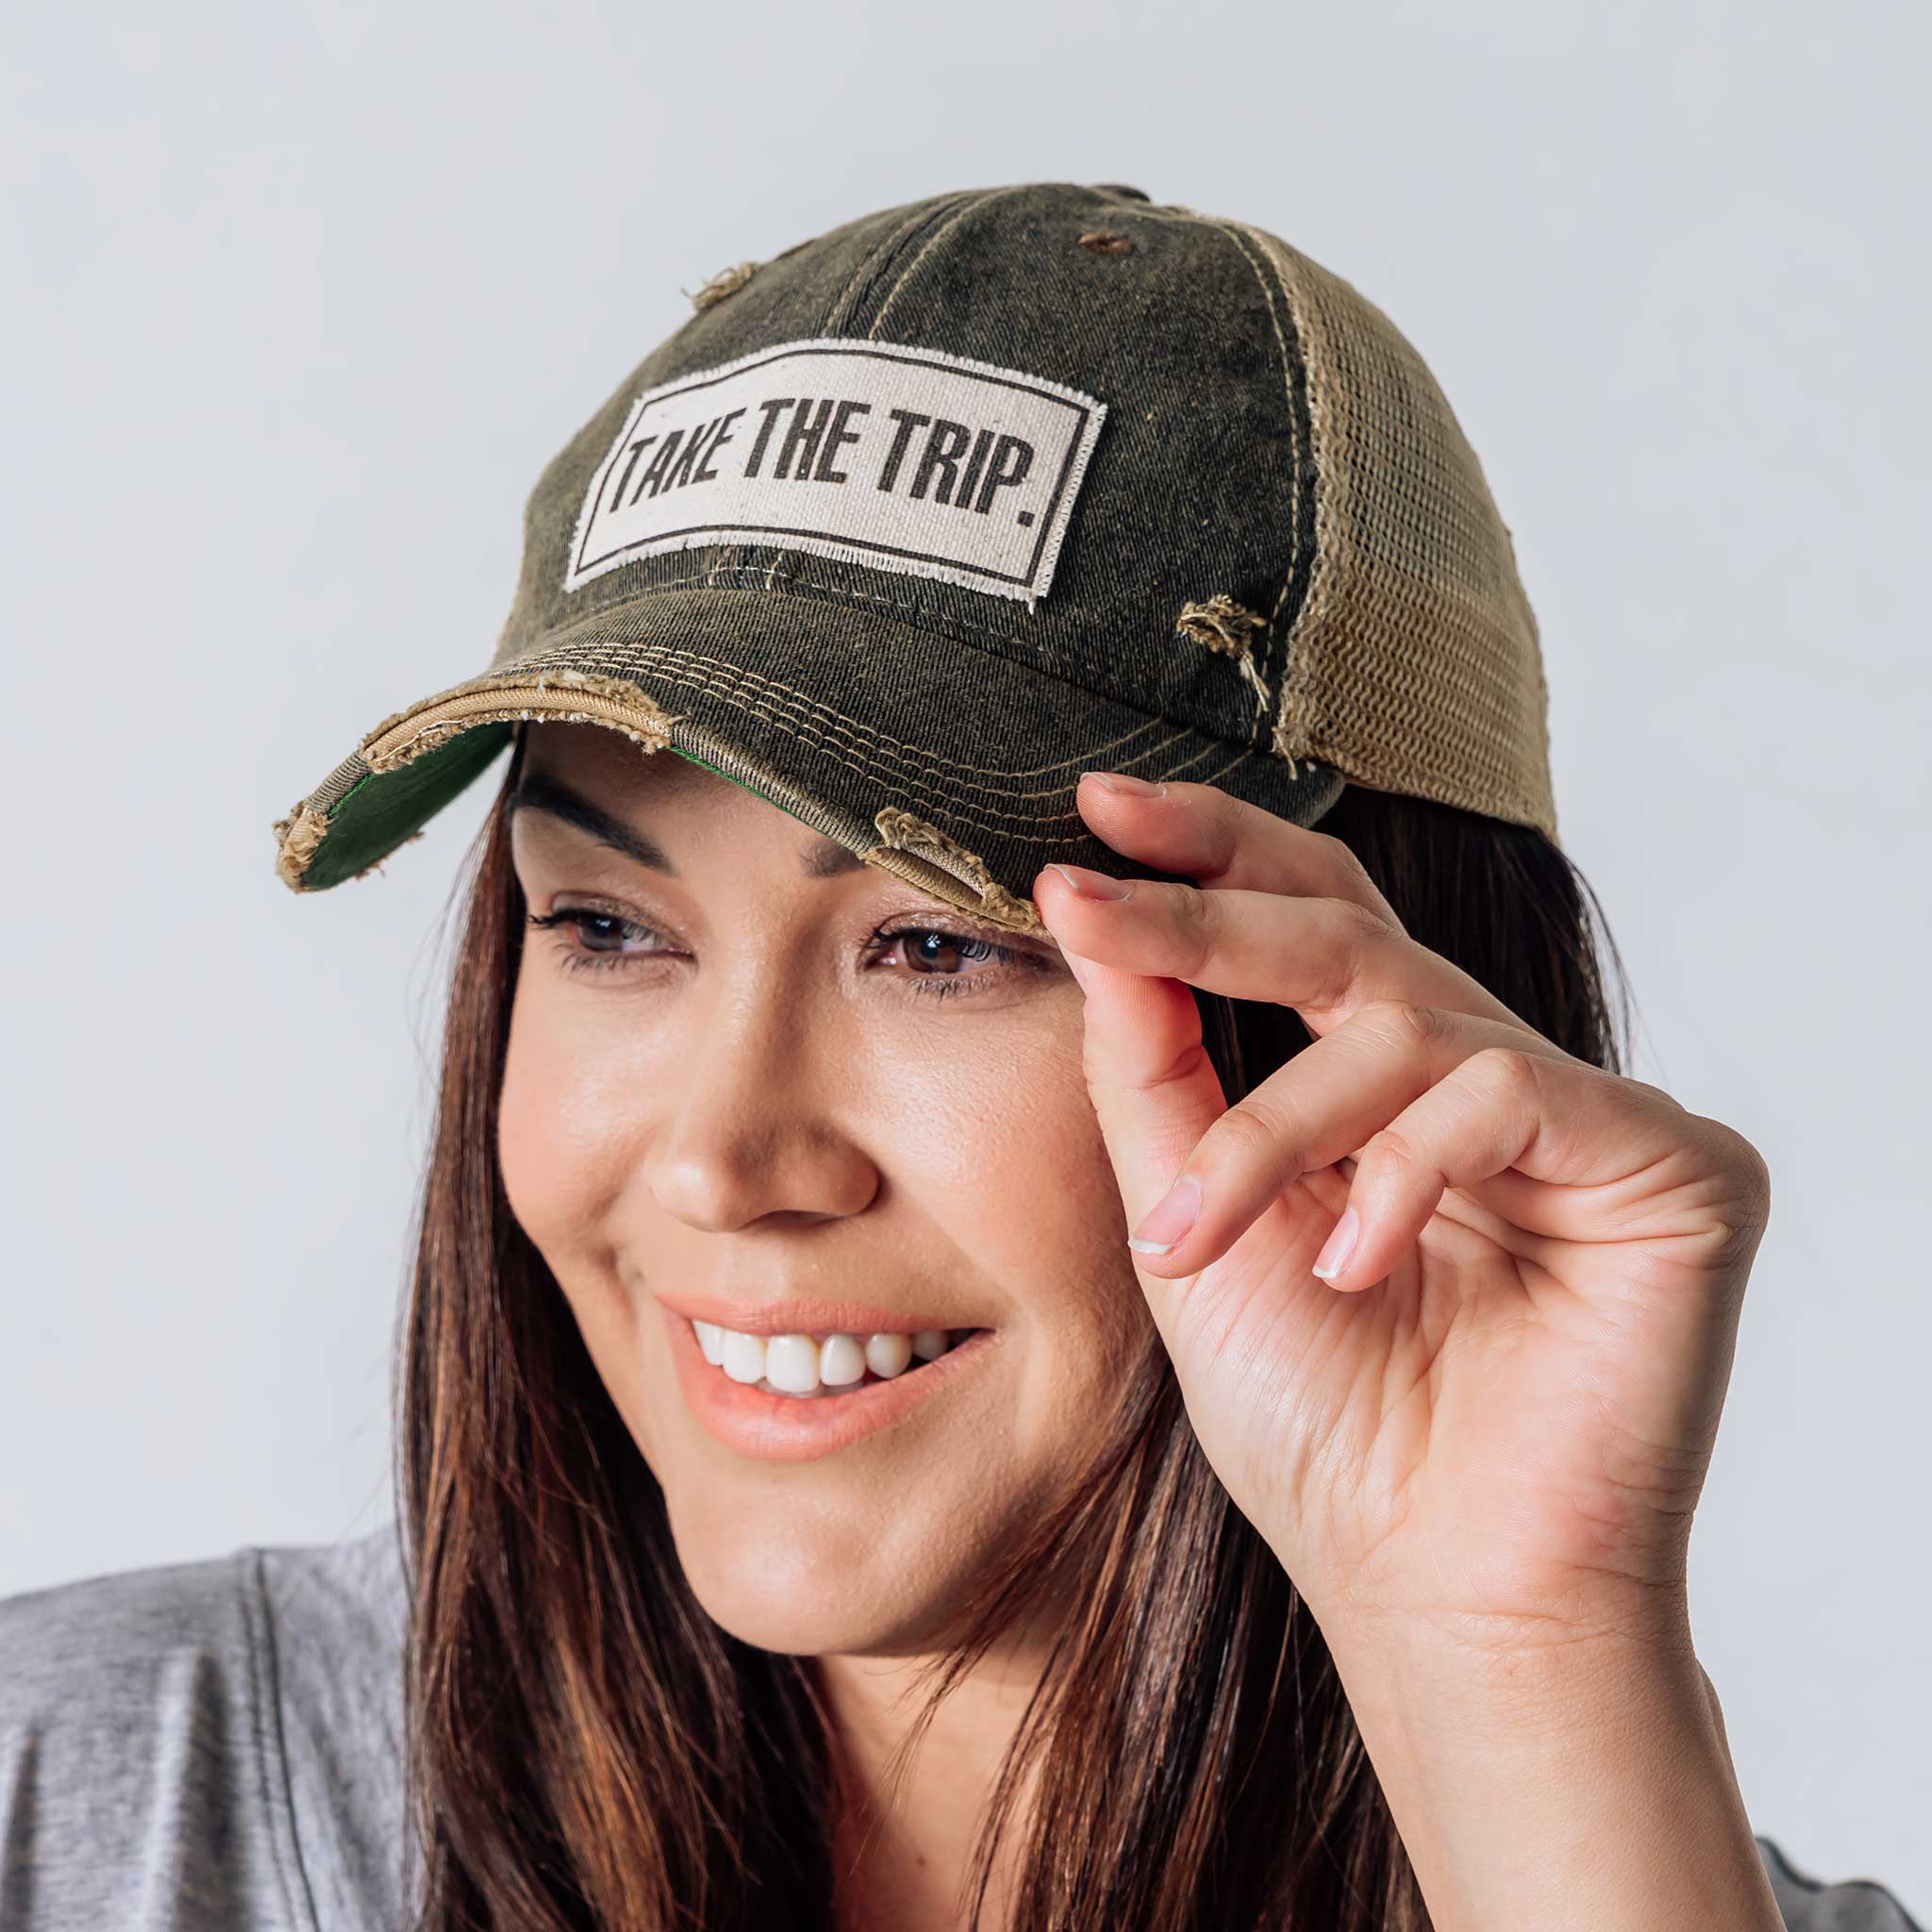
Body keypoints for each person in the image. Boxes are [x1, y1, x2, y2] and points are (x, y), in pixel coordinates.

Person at [1, 181, 1920, 1932]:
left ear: (1372, 1032)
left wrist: (1518, 1657)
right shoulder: (72, 1812)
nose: (725, 1157)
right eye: (609, 928)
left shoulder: (1649, 1887)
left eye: (935, 944)